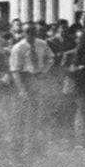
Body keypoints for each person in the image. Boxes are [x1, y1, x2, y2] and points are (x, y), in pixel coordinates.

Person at [8, 22, 55, 157]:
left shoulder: (42, 44)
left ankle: (37, 148)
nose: (31, 35)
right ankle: (19, 149)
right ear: (23, 33)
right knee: (22, 117)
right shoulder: (18, 48)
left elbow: (51, 58)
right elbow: (15, 71)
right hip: (24, 80)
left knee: (39, 115)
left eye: (33, 31)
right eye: (28, 32)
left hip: (38, 79)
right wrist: (22, 90)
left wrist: (45, 70)